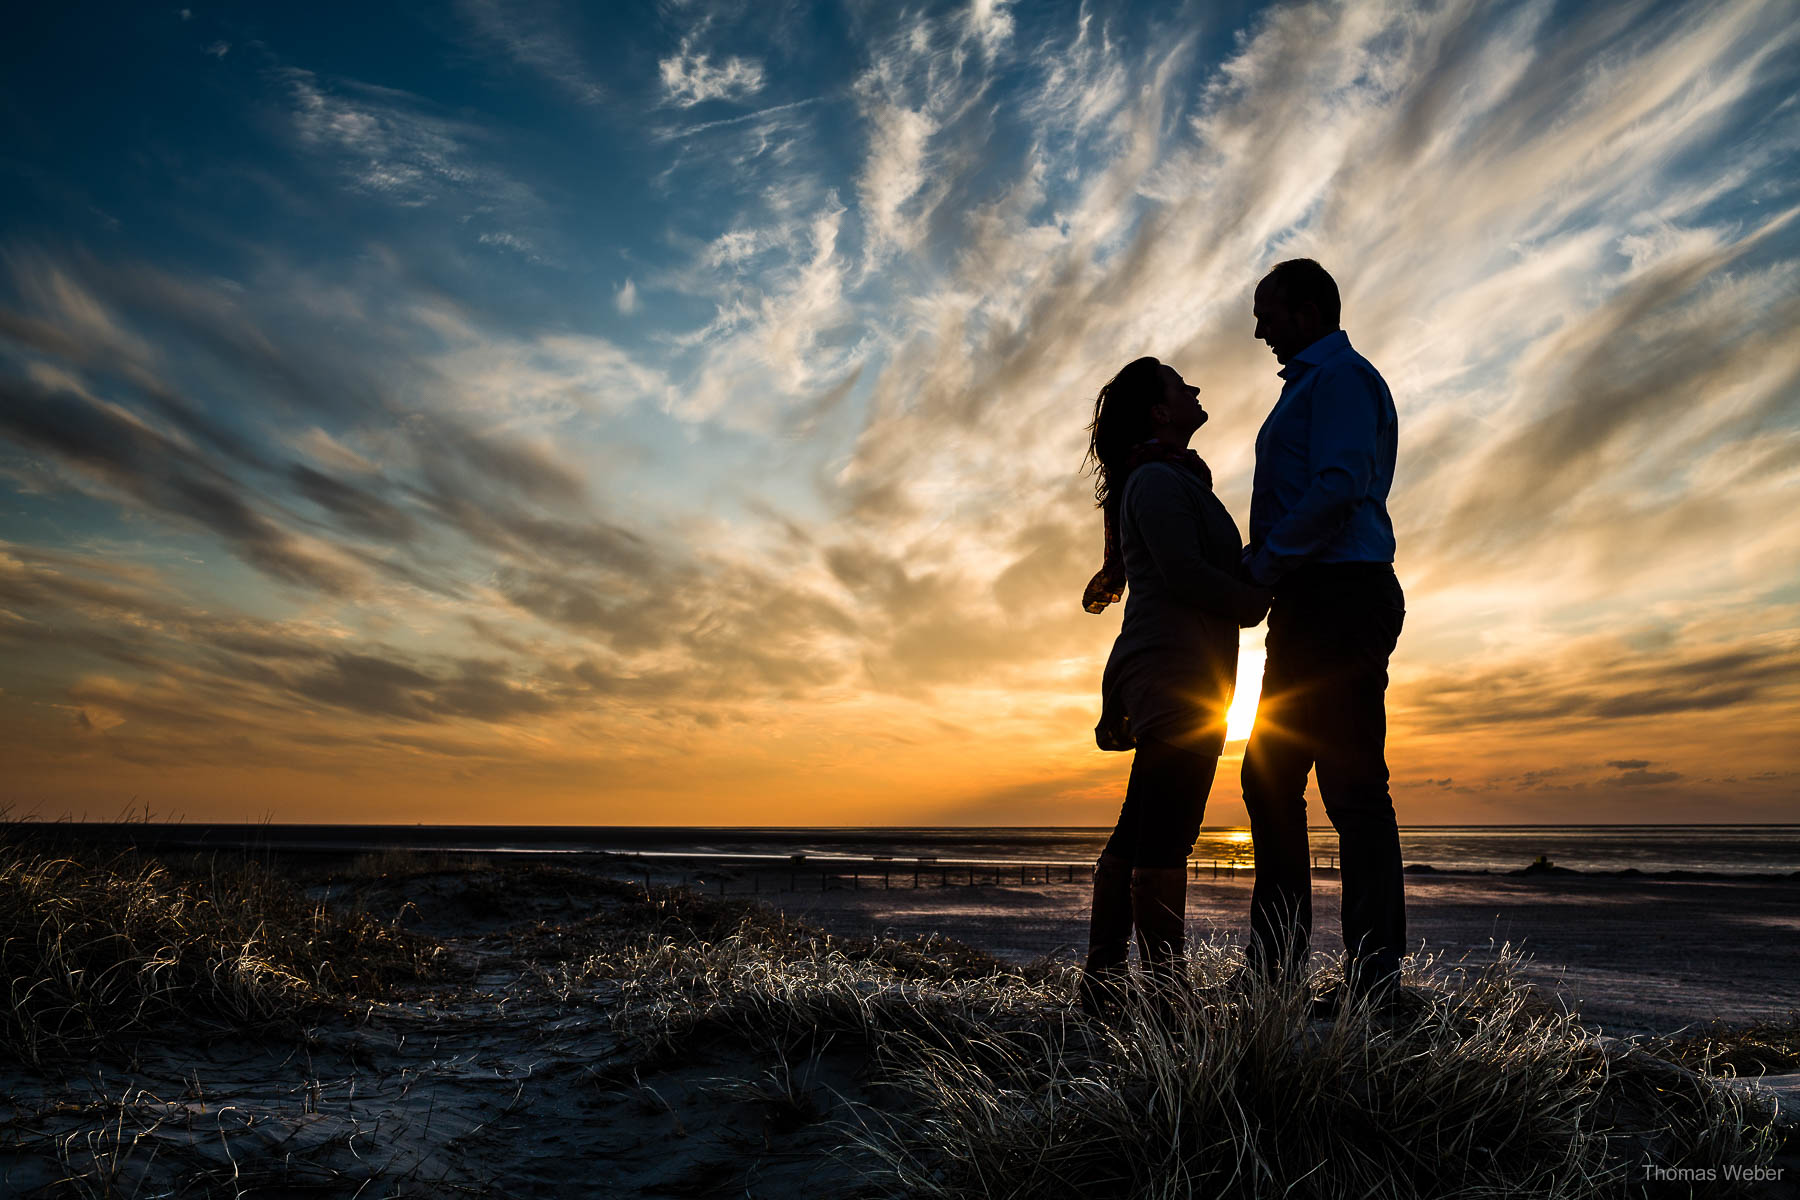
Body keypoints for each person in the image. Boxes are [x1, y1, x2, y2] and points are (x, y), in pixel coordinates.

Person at [1078, 356, 1270, 1017]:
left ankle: (1102, 986)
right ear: (1160, 411)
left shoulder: (1172, 478)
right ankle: (1165, 996)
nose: (1194, 387)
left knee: (1139, 833)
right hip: (1175, 674)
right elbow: (1185, 574)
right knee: (1165, 837)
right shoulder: (1158, 481)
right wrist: (1254, 600)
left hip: (1182, 670)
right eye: (1179, 385)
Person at [1239, 258, 1406, 1004]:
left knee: (1349, 788)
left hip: (1339, 597)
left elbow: (1338, 485)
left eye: (1266, 313)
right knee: (1272, 777)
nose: (1258, 329)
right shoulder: (1315, 384)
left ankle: (1370, 979)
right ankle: (1279, 969)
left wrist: (1266, 564)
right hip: (1312, 602)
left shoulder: (1338, 379)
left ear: (1306, 313)